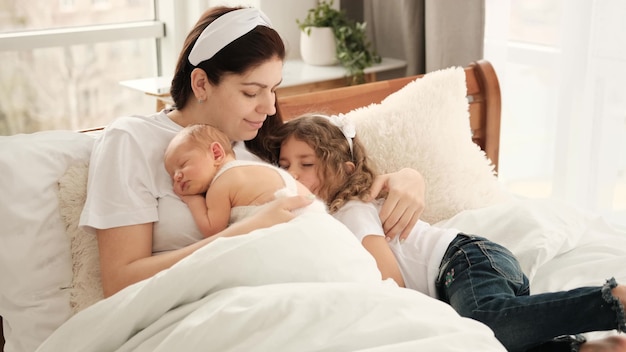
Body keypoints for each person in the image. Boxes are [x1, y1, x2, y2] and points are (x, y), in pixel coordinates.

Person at [79, 6, 425, 298]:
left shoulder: (266, 145)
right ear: (201, 84)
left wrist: (404, 178)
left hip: (311, 291)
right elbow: (121, 282)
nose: (269, 106)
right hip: (220, 308)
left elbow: (329, 195)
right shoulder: (131, 140)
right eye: (251, 92)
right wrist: (240, 234)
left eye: (273, 90)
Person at [270, 113, 626, 352]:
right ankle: (586, 347)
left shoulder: (351, 209)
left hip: (463, 262)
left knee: (485, 323)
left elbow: (389, 280)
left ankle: (612, 301)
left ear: (344, 170)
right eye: (285, 166)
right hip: (479, 273)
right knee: (483, 342)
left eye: (307, 164)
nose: (293, 175)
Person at [163, 123, 326, 237]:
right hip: (318, 216)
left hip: (292, 224)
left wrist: (192, 200)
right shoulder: (256, 168)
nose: (177, 176)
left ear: (217, 153)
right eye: (172, 175)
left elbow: (212, 229)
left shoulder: (221, 183)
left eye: (183, 164)